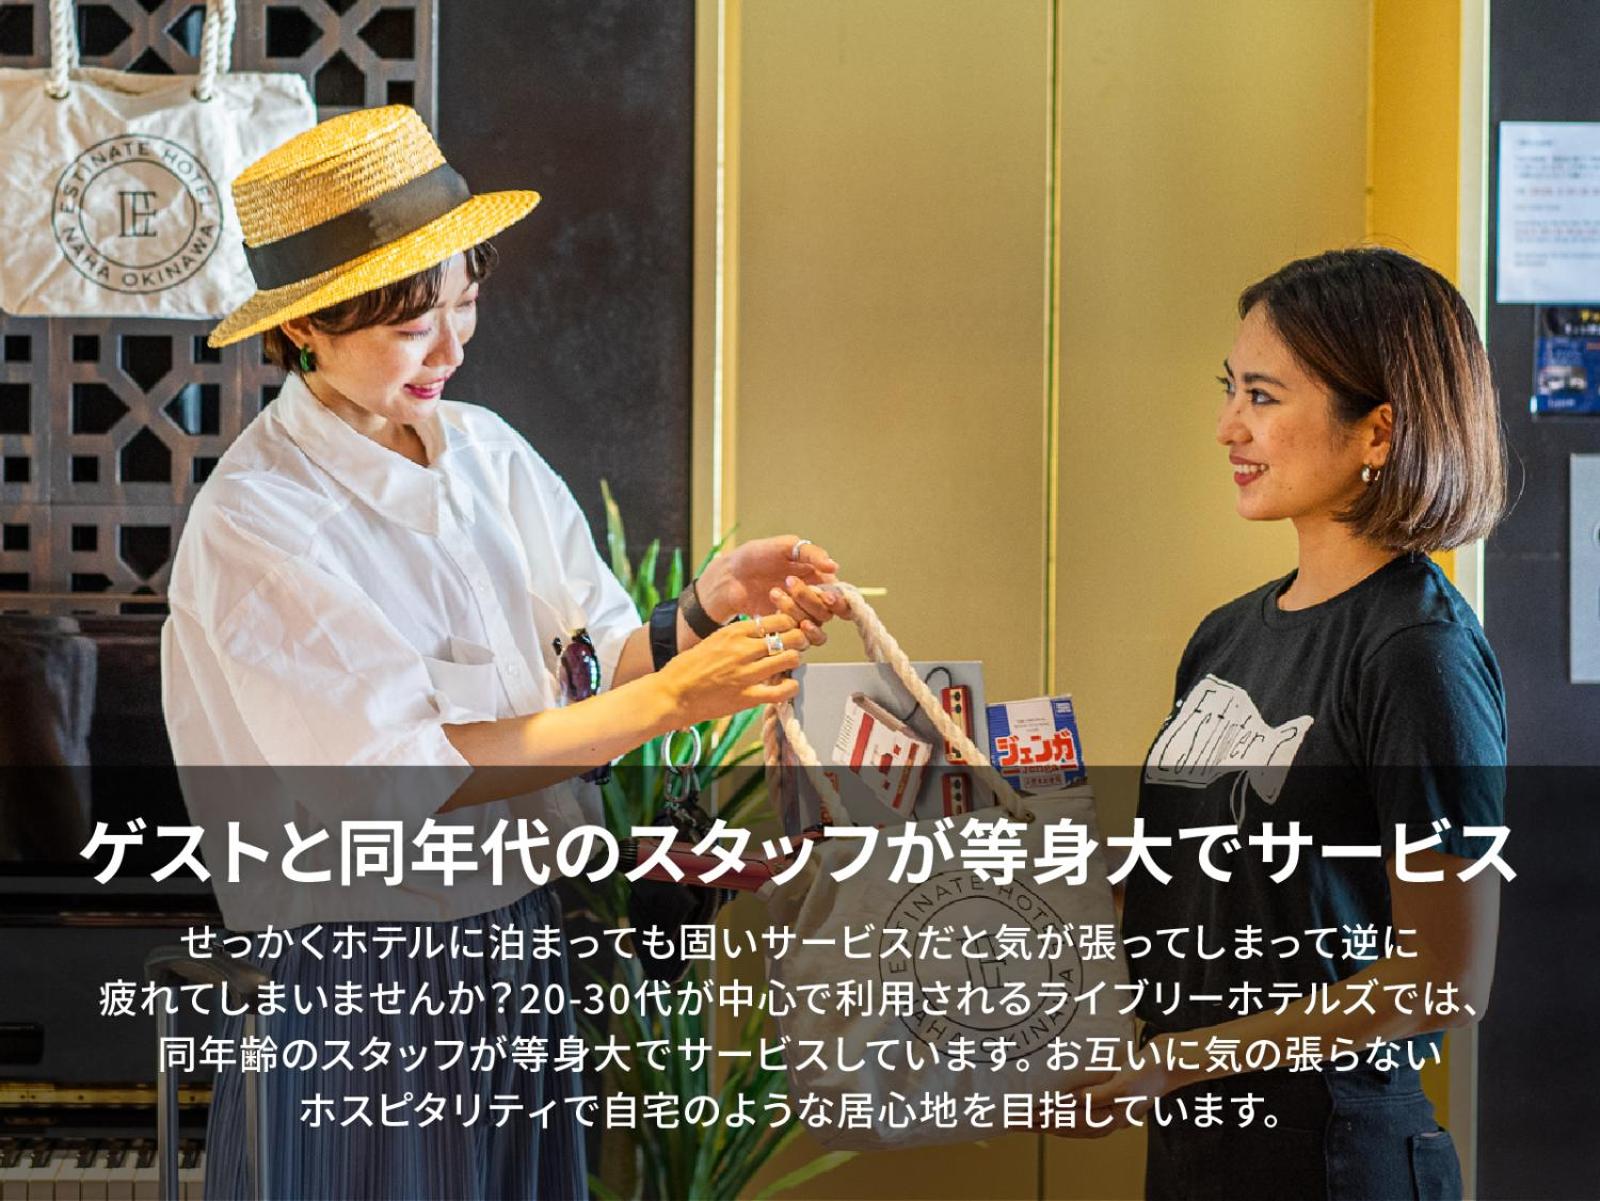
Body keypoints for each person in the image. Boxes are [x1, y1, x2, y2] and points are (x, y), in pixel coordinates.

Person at [160, 105, 845, 1200]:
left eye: (465, 303)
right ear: (308, 326)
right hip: (360, 978)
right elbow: (405, 773)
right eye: (410, 325)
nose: (452, 348)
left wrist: (701, 614)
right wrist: (675, 700)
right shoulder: (259, 521)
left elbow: (590, 660)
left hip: (519, 942)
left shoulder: (487, 453)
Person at [1057, 248, 1507, 1200]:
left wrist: (1181, 1060)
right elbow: (1189, 892)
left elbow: (1446, 974)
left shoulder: (1417, 650)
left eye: (1262, 396)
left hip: (1338, 1154)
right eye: (1231, 390)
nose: (1229, 426)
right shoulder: (1224, 637)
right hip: (1197, 1144)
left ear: (1377, 428)